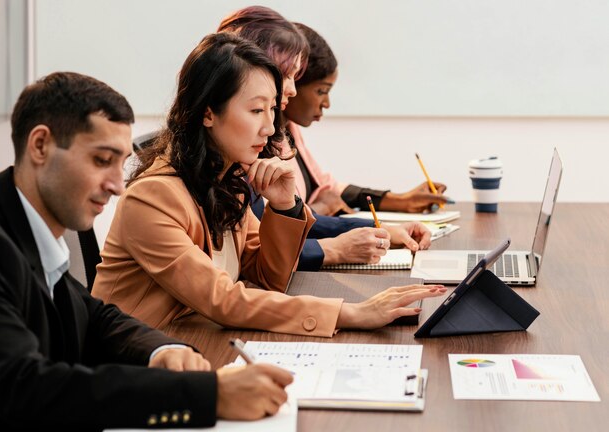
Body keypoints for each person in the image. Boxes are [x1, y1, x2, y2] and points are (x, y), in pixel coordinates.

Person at [0, 71, 294, 430]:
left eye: (120, 163)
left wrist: (162, 350)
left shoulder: (24, 228)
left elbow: (95, 317)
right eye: (101, 160)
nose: (117, 186)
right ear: (40, 146)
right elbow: (23, 387)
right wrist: (206, 394)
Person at [92, 33, 446, 338]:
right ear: (208, 113)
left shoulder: (224, 181)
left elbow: (268, 277)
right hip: (141, 360)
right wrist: (351, 313)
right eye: (256, 111)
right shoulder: (154, 197)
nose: (269, 127)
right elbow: (222, 298)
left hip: (196, 341)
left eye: (272, 111)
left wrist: (284, 207)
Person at [219, 6, 437, 271]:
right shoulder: (225, 161)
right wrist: (334, 250)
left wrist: (379, 228)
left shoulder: (264, 140)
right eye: (286, 76)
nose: (291, 90)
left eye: (295, 77)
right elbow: (251, 260)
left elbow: (275, 237)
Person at [283, 22, 451, 216]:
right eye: (321, 91)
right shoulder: (262, 143)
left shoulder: (289, 129)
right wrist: (320, 209)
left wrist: (402, 201)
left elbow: (327, 187)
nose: (326, 103)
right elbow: (277, 223)